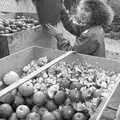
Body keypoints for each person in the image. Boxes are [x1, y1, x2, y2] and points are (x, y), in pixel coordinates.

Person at [45, 0, 114, 57]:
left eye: (87, 10)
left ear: (96, 14)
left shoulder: (91, 34)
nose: (82, 13)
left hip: (90, 68)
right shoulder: (94, 27)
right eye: (81, 9)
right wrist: (62, 8)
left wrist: (58, 36)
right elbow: (73, 27)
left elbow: (72, 54)